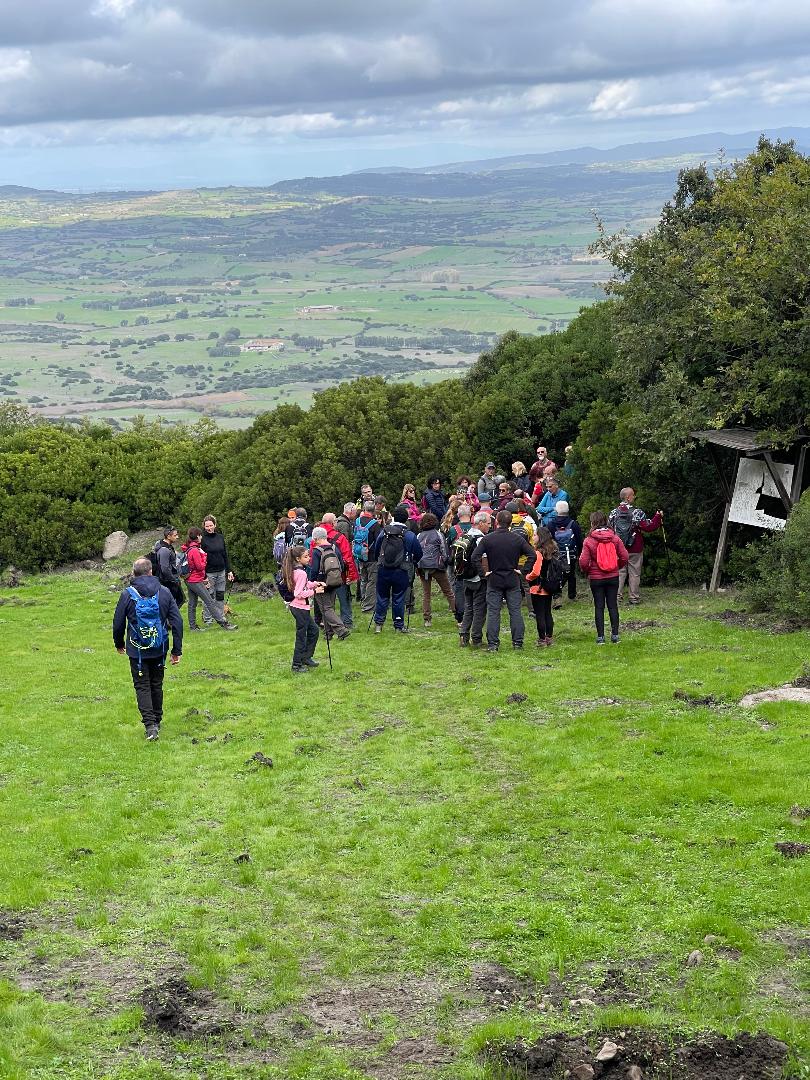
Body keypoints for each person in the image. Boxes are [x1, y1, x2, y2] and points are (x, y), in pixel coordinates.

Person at [113, 556, 183, 741]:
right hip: (159, 647)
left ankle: (150, 726)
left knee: (142, 686)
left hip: (137, 649)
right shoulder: (164, 592)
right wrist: (177, 650)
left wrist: (119, 644)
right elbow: (177, 622)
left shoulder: (127, 594)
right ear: (151, 571)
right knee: (156, 684)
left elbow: (118, 623)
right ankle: (157, 721)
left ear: (134, 572)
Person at [473, 509, 535, 652]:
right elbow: (532, 554)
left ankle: (493, 644)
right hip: (512, 578)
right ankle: (517, 643)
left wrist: (483, 573)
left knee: (493, 612)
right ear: (510, 523)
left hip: (494, 579)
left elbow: (475, 557)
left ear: (497, 522)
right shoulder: (517, 539)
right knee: (515, 612)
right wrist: (523, 570)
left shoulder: (488, 539)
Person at [579, 510, 629, 644]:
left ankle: (600, 637)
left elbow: (583, 561)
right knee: (613, 605)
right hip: (612, 576)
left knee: (599, 606)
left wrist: (588, 570)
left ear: (592, 522)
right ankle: (615, 635)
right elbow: (625, 556)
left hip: (596, 578)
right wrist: (617, 566)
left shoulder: (589, 540)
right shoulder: (615, 537)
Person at [372, 505, 423, 633]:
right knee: (398, 598)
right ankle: (398, 626)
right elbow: (419, 554)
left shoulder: (384, 532)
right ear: (406, 519)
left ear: (393, 517)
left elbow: (376, 549)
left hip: (384, 569)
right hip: (402, 570)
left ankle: (378, 624)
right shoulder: (410, 535)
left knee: (382, 596)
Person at [608, 488, 664, 605]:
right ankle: (634, 598)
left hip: (618, 547)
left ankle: (616, 597)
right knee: (634, 572)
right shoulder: (637, 512)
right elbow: (649, 527)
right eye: (633, 495)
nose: (634, 497)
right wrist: (658, 517)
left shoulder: (613, 513)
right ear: (628, 497)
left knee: (619, 572)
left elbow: (610, 530)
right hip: (635, 547)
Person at [182, 527, 238, 632]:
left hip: (190, 580)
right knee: (210, 601)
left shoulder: (190, 548)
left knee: (192, 603)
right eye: (200, 535)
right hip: (195, 580)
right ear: (198, 536)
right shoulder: (195, 550)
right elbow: (200, 567)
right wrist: (204, 556)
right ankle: (224, 623)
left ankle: (193, 627)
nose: (201, 537)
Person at [281, 544, 323, 673]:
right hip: (299, 608)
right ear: (298, 559)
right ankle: (296, 664)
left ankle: (306, 657)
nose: (309, 558)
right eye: (306, 556)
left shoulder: (296, 570)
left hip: (299, 607)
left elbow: (303, 585)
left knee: (314, 631)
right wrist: (315, 591)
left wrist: (315, 584)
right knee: (302, 636)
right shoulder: (301, 573)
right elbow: (298, 593)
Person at [309, 526, 350, 641]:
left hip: (321, 581)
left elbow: (314, 569)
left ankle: (341, 630)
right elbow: (341, 565)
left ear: (316, 539)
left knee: (326, 609)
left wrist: (312, 582)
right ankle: (328, 634)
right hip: (334, 580)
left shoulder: (317, 551)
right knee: (328, 607)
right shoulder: (335, 547)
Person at [456, 511, 490, 647]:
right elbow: (484, 559)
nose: (489, 526)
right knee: (479, 608)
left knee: (468, 607)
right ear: (480, 524)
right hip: (478, 578)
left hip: (465, 576)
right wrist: (485, 575)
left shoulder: (465, 536)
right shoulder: (481, 539)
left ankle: (463, 636)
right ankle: (476, 639)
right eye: (488, 523)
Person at [320, 512, 359, 629]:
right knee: (344, 599)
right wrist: (351, 576)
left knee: (327, 603)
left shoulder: (315, 537)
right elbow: (348, 558)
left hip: (322, 576)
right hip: (339, 575)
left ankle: (327, 624)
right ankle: (346, 623)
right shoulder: (340, 538)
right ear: (333, 523)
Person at [417, 512, 455, 629]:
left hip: (423, 567)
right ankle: (459, 616)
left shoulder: (419, 536)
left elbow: (417, 552)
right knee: (448, 592)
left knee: (426, 594)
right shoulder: (438, 535)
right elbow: (443, 551)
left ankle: (427, 619)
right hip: (437, 567)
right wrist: (444, 562)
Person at [525, 526, 559, 646]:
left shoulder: (538, 553)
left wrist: (527, 577)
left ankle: (541, 639)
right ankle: (549, 637)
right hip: (549, 586)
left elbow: (536, 571)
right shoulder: (553, 550)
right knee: (547, 612)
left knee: (539, 614)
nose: (533, 537)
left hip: (537, 587)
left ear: (540, 537)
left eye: (535, 534)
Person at [200, 514, 235, 627]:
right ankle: (208, 619)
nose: (209, 528)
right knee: (209, 597)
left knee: (220, 595)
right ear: (204, 527)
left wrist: (229, 570)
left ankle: (220, 617)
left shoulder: (220, 537)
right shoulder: (202, 540)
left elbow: (224, 554)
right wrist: (204, 576)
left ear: (215, 525)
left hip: (221, 571)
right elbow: (201, 559)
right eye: (207, 526)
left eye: (211, 525)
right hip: (209, 573)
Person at [547, 500, 583, 605]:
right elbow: (579, 540)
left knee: (556, 575)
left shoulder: (551, 524)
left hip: (556, 554)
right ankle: (572, 595)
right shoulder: (573, 524)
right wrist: (579, 553)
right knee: (571, 574)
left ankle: (556, 595)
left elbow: (549, 540)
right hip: (570, 553)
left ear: (556, 510)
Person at [353, 500, 382, 614]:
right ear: (373, 510)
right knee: (372, 581)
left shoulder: (357, 521)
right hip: (371, 556)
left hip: (359, 555)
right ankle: (368, 606)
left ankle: (363, 601)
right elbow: (379, 540)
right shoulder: (374, 524)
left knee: (363, 579)